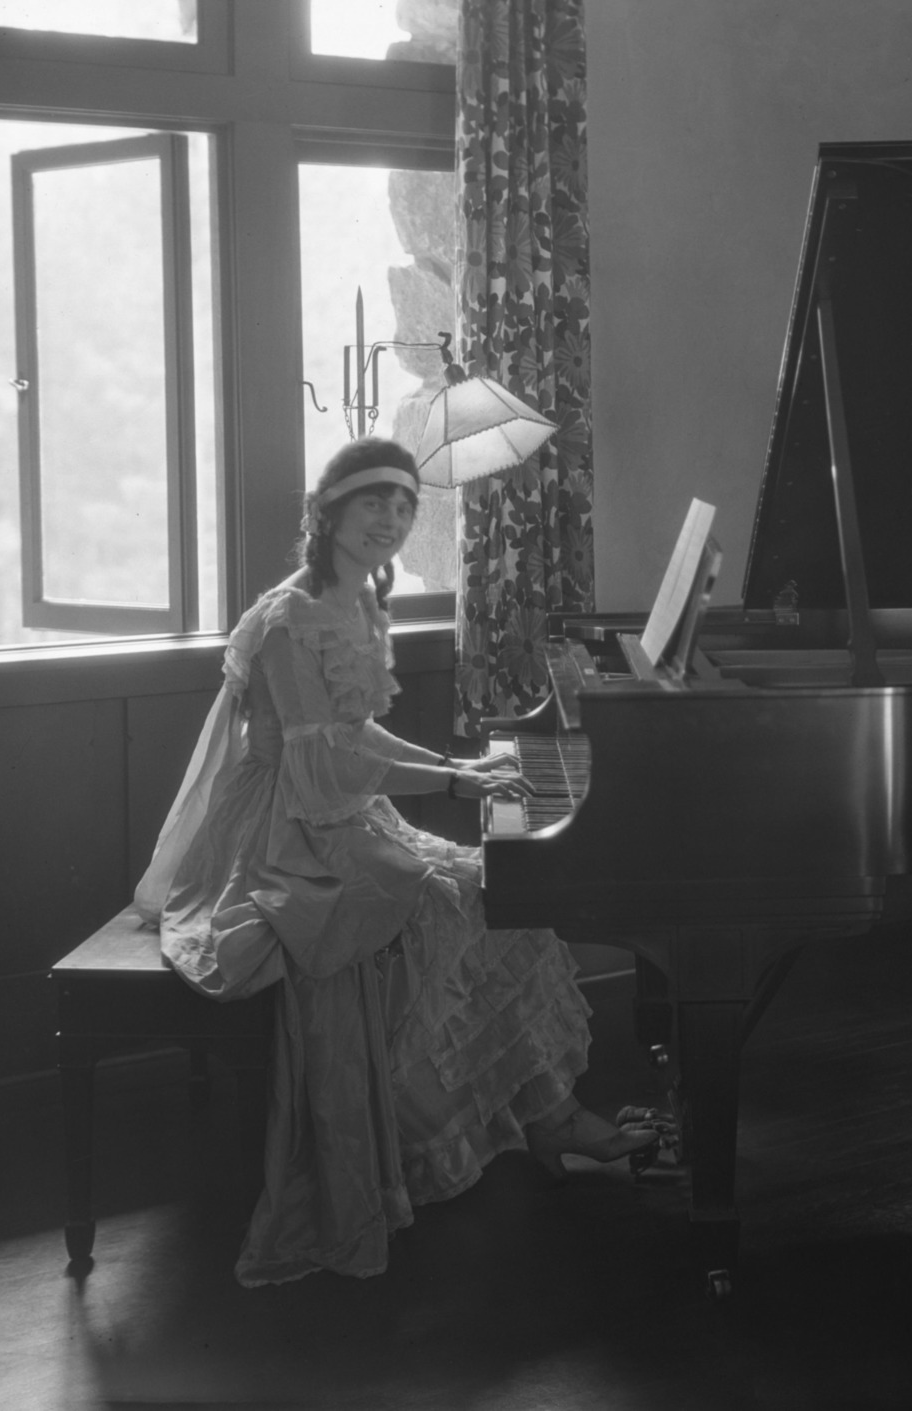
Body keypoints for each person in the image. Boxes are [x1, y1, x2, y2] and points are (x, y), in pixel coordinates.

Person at [136, 437, 661, 1287]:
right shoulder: (287, 619)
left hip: (340, 807)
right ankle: (507, 1127)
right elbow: (319, 762)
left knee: (499, 895)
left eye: (404, 505)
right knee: (458, 899)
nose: (390, 519)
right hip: (284, 830)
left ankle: (551, 1116)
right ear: (328, 513)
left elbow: (357, 736)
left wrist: (455, 772)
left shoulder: (356, 600)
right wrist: (452, 777)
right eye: (373, 502)